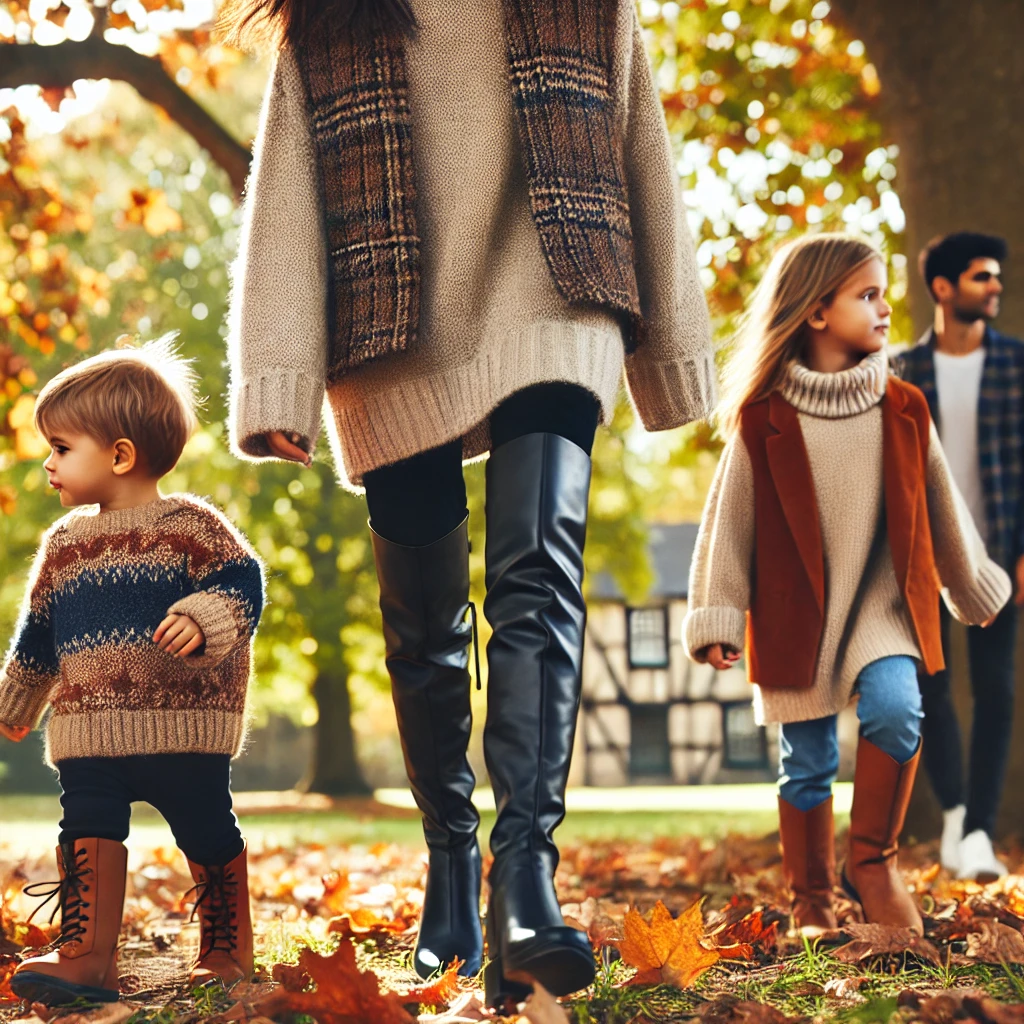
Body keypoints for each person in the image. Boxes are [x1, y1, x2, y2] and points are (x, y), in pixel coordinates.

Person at [221, 0, 714, 1005]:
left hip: (560, 297)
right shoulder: (329, 21)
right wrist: (276, 377)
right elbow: (285, 193)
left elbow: (640, 149)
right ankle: (452, 857)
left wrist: (673, 351)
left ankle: (525, 874)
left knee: (541, 575)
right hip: (390, 323)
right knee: (423, 622)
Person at [684, 234, 1010, 937]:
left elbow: (942, 509)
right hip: (796, 614)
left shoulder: (904, 408)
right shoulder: (763, 419)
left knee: (896, 712)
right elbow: (729, 524)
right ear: (816, 313)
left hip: (883, 608)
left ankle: (874, 863)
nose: (887, 308)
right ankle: (811, 898)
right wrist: (715, 614)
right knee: (808, 763)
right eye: (868, 295)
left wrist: (975, 588)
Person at [0, 339, 265, 1006]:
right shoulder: (62, 548)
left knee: (206, 827)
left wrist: (206, 617)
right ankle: (88, 956)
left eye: (61, 448)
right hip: (90, 731)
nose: (47, 463)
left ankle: (226, 949)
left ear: (119, 454)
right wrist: (19, 697)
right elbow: (41, 632)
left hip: (181, 726)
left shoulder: (191, 528)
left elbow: (242, 585)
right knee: (85, 827)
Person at [895, 233, 1024, 882]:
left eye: (996, 277)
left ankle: (977, 832)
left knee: (997, 692)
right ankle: (953, 813)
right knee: (930, 688)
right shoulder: (900, 371)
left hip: (999, 556)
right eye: (981, 278)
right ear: (942, 289)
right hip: (922, 559)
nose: (994, 287)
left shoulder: (1018, 365)